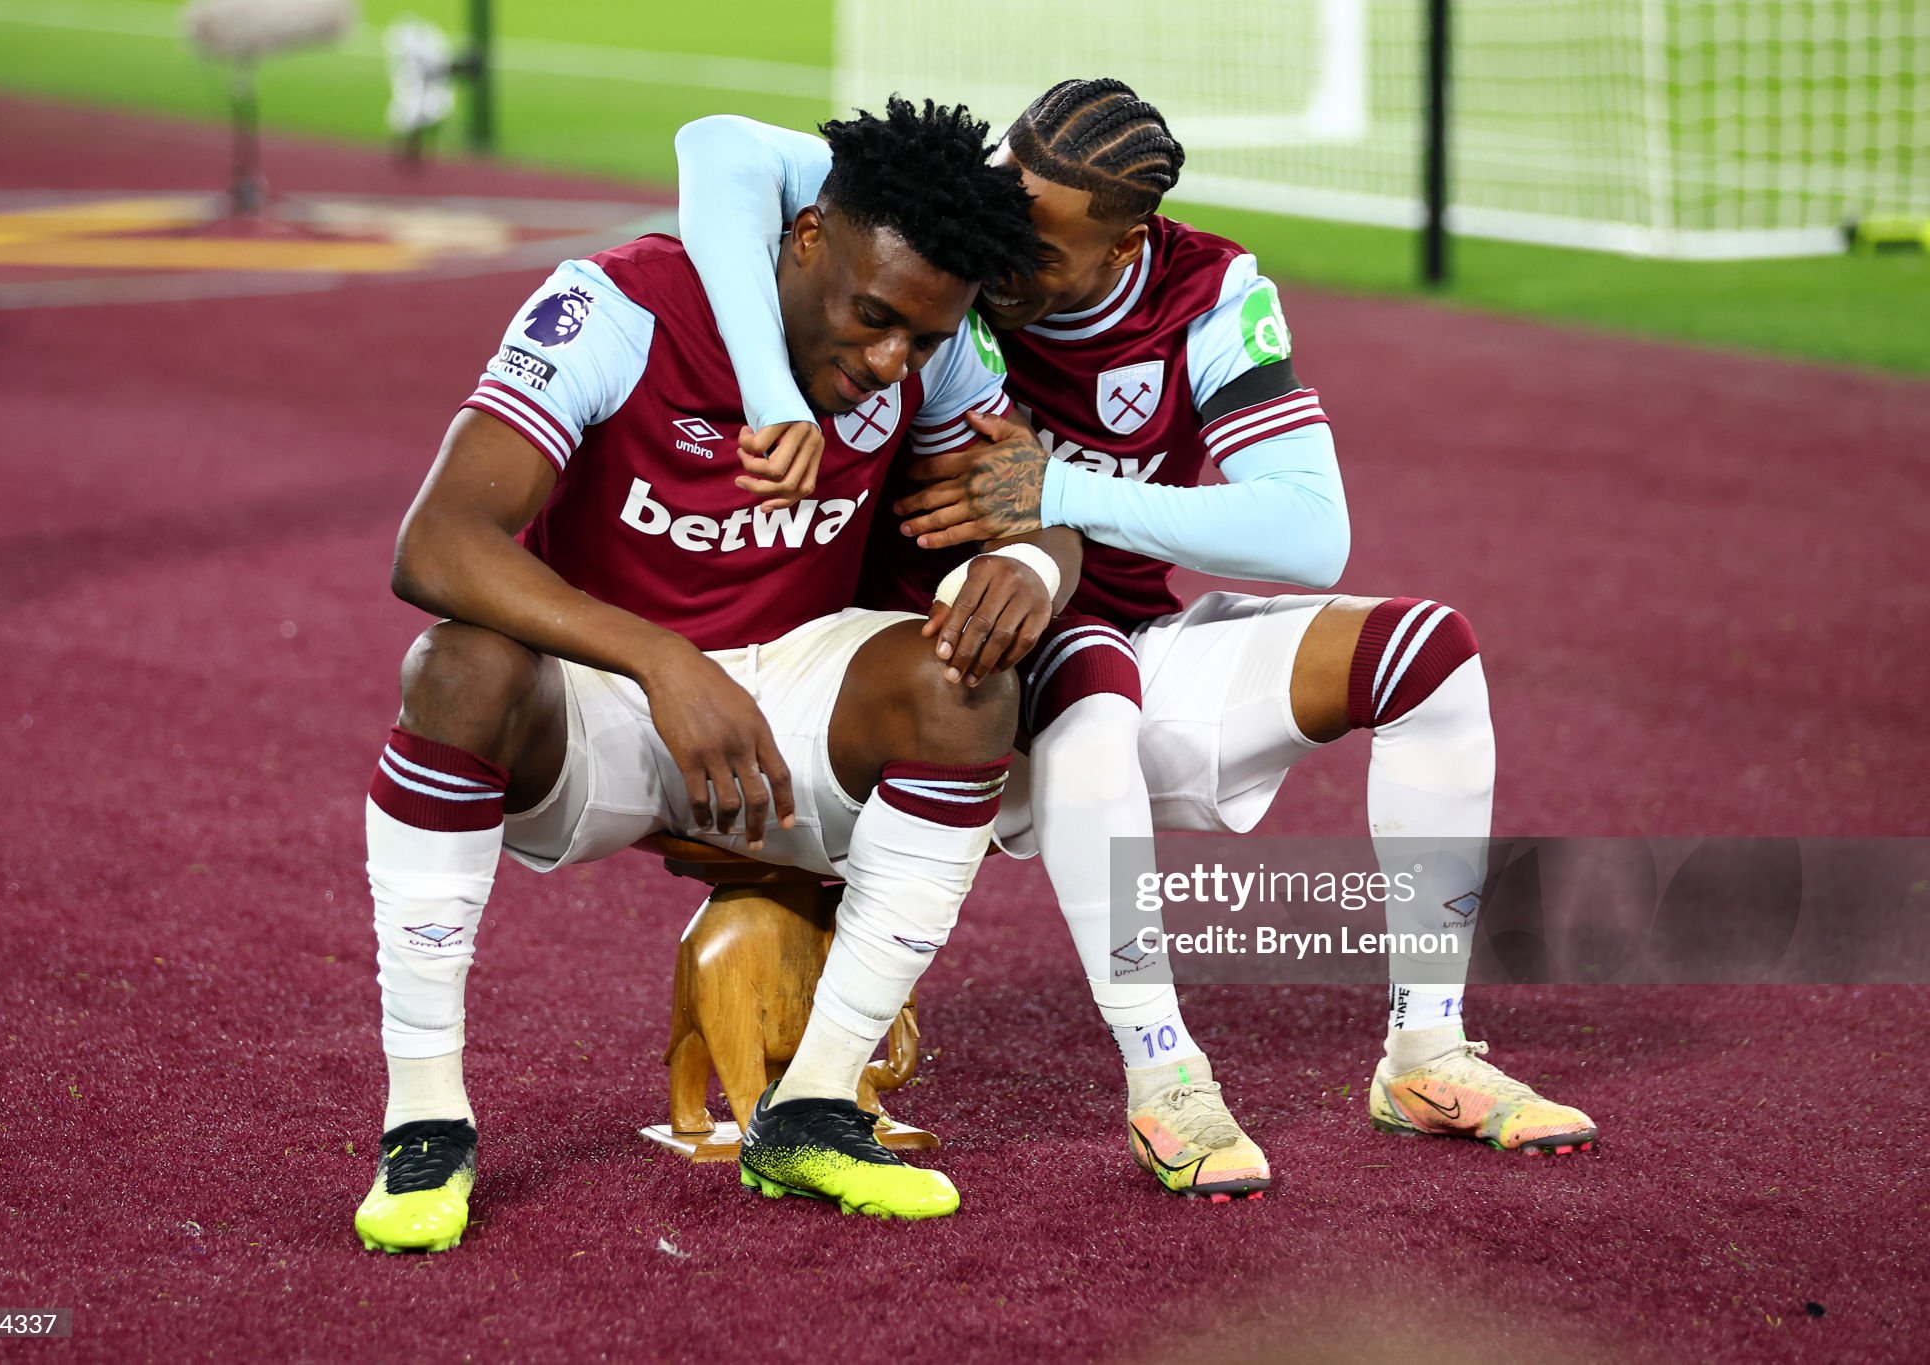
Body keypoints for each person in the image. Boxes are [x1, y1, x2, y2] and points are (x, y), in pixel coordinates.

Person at [674, 78, 1597, 1199]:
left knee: (1426, 654)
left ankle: (1427, 1052)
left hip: (1122, 641)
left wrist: (1056, 491)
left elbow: (1312, 532)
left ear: (1125, 246)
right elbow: (715, 143)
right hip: (934, 676)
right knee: (1088, 672)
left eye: (1037, 252)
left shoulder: (1207, 296)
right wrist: (773, 396)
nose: (996, 264)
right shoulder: (954, 231)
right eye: (1001, 217)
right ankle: (1164, 1075)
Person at [355, 97, 1079, 1249]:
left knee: (965, 683)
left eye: (919, 341)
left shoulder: (934, 346)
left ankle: (813, 1108)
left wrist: (1034, 565)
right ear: (804, 239)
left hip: (788, 694)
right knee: (456, 666)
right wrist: (662, 661)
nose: (888, 362)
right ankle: (425, 1121)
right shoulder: (615, 306)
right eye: (873, 319)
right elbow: (435, 544)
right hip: (599, 693)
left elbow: (1038, 507)